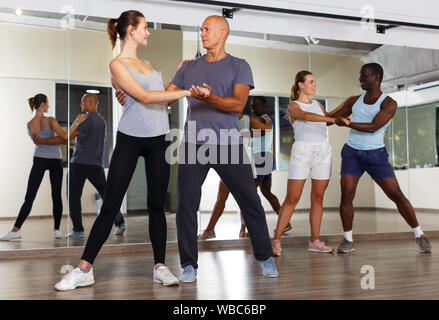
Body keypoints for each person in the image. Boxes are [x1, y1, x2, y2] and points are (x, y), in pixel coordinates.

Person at [55, 10, 193, 291]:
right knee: (110, 206)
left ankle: (159, 266)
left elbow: (159, 99)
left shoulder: (147, 63)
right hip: (130, 138)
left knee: (157, 206)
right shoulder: (117, 65)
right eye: (144, 27)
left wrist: (179, 76)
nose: (148, 32)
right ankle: (84, 269)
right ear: (131, 30)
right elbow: (143, 97)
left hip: (158, 140)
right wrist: (185, 93)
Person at [169, 15, 278, 282]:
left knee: (250, 202)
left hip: (228, 144)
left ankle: (265, 258)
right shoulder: (188, 68)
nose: (202, 32)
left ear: (223, 32)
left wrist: (210, 96)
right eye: (201, 28)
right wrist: (133, 94)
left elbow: (238, 104)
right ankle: (189, 266)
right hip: (194, 143)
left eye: (207, 28)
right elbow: (165, 97)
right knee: (186, 204)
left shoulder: (239, 66)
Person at [331, 63, 432, 254]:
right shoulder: (354, 101)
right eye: (360, 76)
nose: (360, 79)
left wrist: (347, 123)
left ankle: (419, 235)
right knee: (347, 192)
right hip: (352, 152)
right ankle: (348, 240)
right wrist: (307, 113)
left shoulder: (389, 103)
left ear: (376, 77)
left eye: (364, 76)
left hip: (375, 155)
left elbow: (373, 126)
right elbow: (330, 118)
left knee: (396, 194)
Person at [272, 71, 349, 256]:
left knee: (318, 198)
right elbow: (305, 116)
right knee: (292, 199)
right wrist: (332, 118)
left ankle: (314, 241)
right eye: (311, 82)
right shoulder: (293, 106)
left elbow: (326, 121)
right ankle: (276, 240)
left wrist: (346, 107)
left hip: (322, 151)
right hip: (302, 153)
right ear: (300, 84)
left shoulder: (318, 104)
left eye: (315, 82)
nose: (315, 85)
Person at [0, 93, 85, 241]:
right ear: (42, 105)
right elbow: (64, 136)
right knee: (49, 196)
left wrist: (46, 141)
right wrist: (76, 124)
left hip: (41, 159)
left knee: (32, 197)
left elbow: (40, 142)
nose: (49, 105)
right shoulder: (50, 120)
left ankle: (20, 229)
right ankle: (52, 230)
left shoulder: (29, 124)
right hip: (52, 160)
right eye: (47, 103)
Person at [65, 93, 127, 239]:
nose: (81, 105)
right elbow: (87, 141)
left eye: (82, 102)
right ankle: (120, 222)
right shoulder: (102, 121)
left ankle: (78, 229)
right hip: (96, 164)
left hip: (79, 163)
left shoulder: (83, 119)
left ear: (91, 102)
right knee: (106, 195)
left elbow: (66, 136)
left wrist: (75, 122)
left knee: (73, 196)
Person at [250, 96, 291, 233]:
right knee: (266, 191)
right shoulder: (264, 119)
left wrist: (245, 131)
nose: (253, 108)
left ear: (264, 105)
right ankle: (285, 222)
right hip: (266, 156)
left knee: (250, 192)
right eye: (251, 106)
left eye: (255, 105)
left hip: (261, 157)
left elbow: (262, 130)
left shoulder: (264, 118)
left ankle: (254, 226)